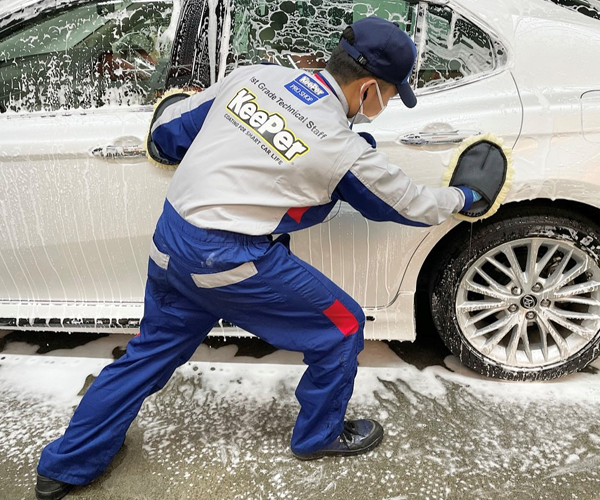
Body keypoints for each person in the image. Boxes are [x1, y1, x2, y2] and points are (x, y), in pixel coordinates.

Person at [35, 16, 480, 500]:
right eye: (392, 94)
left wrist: (175, 101)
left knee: (147, 354)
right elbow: (405, 205)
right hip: (228, 259)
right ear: (369, 88)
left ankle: (64, 468)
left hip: (171, 242)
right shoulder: (342, 149)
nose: (389, 103)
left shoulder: (255, 77)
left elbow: (167, 134)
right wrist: (465, 196)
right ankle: (320, 436)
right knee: (343, 326)